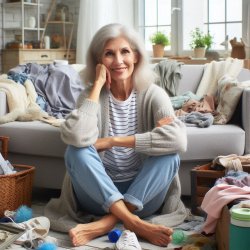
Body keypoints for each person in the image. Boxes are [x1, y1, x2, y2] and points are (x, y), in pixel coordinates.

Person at [47, 23, 187, 248]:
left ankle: (106, 224)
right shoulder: (90, 96)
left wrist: (114, 141)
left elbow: (178, 139)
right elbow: (75, 136)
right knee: (76, 152)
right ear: (99, 62)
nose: (118, 60)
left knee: (170, 156)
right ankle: (134, 223)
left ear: (137, 57)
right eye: (109, 54)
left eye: (125, 52)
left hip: (144, 198)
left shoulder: (154, 95)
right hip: (96, 196)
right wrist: (97, 86)